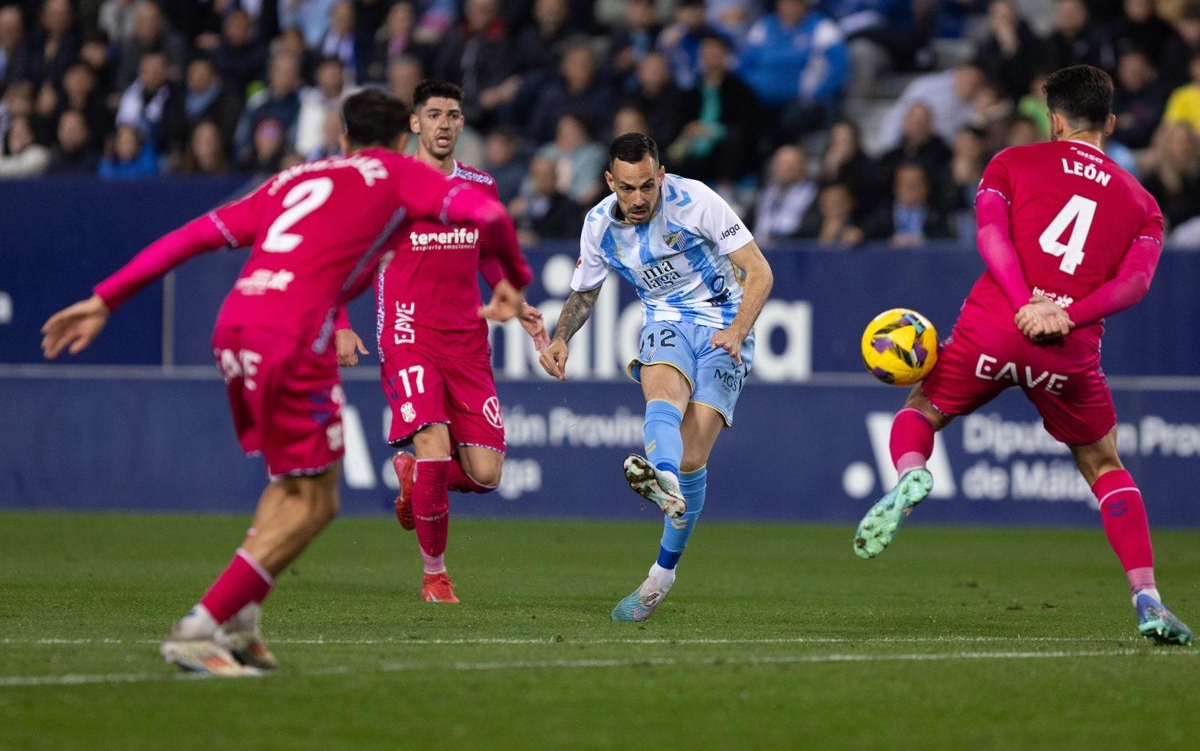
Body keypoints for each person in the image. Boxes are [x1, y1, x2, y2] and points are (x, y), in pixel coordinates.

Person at [40, 88, 533, 676]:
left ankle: (243, 622)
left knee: (293, 487)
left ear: (343, 138)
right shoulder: (402, 176)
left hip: (237, 327)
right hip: (294, 336)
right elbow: (490, 216)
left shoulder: (294, 180)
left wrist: (104, 299)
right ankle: (199, 629)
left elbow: (192, 236)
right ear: (403, 139)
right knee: (317, 503)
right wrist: (517, 278)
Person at [851, 65, 1193, 647]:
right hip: (1067, 349)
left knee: (924, 405)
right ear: (1109, 123)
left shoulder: (1010, 162)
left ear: (1054, 120)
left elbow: (989, 239)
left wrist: (1024, 302)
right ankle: (1147, 596)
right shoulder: (1142, 203)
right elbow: (1134, 287)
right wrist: (1065, 314)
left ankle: (911, 474)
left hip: (994, 327)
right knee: (1104, 464)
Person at [538, 133, 773, 622]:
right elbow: (584, 293)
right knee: (661, 391)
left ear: (661, 175)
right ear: (610, 182)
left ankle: (661, 575)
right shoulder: (599, 225)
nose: (640, 198)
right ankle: (661, 478)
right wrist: (562, 338)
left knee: (693, 456)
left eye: (648, 185)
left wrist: (738, 328)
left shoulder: (697, 202)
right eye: (628, 188)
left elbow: (759, 271)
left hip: (723, 323)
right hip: (665, 319)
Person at [335, 80, 548, 604]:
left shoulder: (480, 185)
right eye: (434, 115)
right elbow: (340, 253)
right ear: (414, 124)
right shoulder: (390, 186)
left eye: (453, 114)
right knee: (433, 441)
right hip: (407, 334)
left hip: (467, 341)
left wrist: (514, 300)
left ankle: (413, 474)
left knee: (486, 473)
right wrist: (340, 320)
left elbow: (491, 255)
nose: (445, 124)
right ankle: (435, 576)